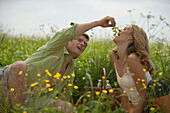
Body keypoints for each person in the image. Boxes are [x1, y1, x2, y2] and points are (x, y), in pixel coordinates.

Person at [0, 16, 116, 112]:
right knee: (20, 65)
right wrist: (98, 23)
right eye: (79, 40)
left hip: (30, 99)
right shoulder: (55, 48)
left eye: (85, 44)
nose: (82, 45)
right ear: (68, 41)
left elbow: (64, 96)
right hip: (7, 84)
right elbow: (69, 32)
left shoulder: (70, 70)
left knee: (66, 107)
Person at [109, 25, 154, 113]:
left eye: (125, 29)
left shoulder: (133, 59)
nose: (119, 30)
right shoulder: (113, 55)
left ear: (131, 38)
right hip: (134, 108)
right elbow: (123, 91)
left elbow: (144, 95)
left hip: (150, 107)